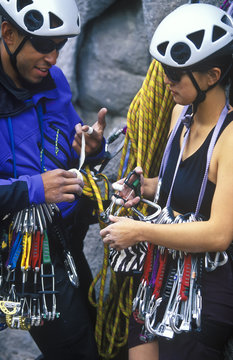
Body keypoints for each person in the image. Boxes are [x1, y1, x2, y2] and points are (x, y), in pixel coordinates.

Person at [101, 3, 233, 360]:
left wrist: (140, 231)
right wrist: (144, 188)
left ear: (212, 75)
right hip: (158, 277)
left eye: (176, 74)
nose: (165, 82)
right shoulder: (179, 116)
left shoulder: (230, 140)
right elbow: (185, 190)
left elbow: (220, 233)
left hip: (201, 292)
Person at [0, 0, 107, 359]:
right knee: (76, 349)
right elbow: (37, 181)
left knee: (97, 329)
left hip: (65, 236)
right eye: (43, 46)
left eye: (59, 46)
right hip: (24, 254)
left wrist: (89, 148)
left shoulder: (50, 79)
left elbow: (66, 153)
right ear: (8, 33)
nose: (53, 58)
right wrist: (34, 188)